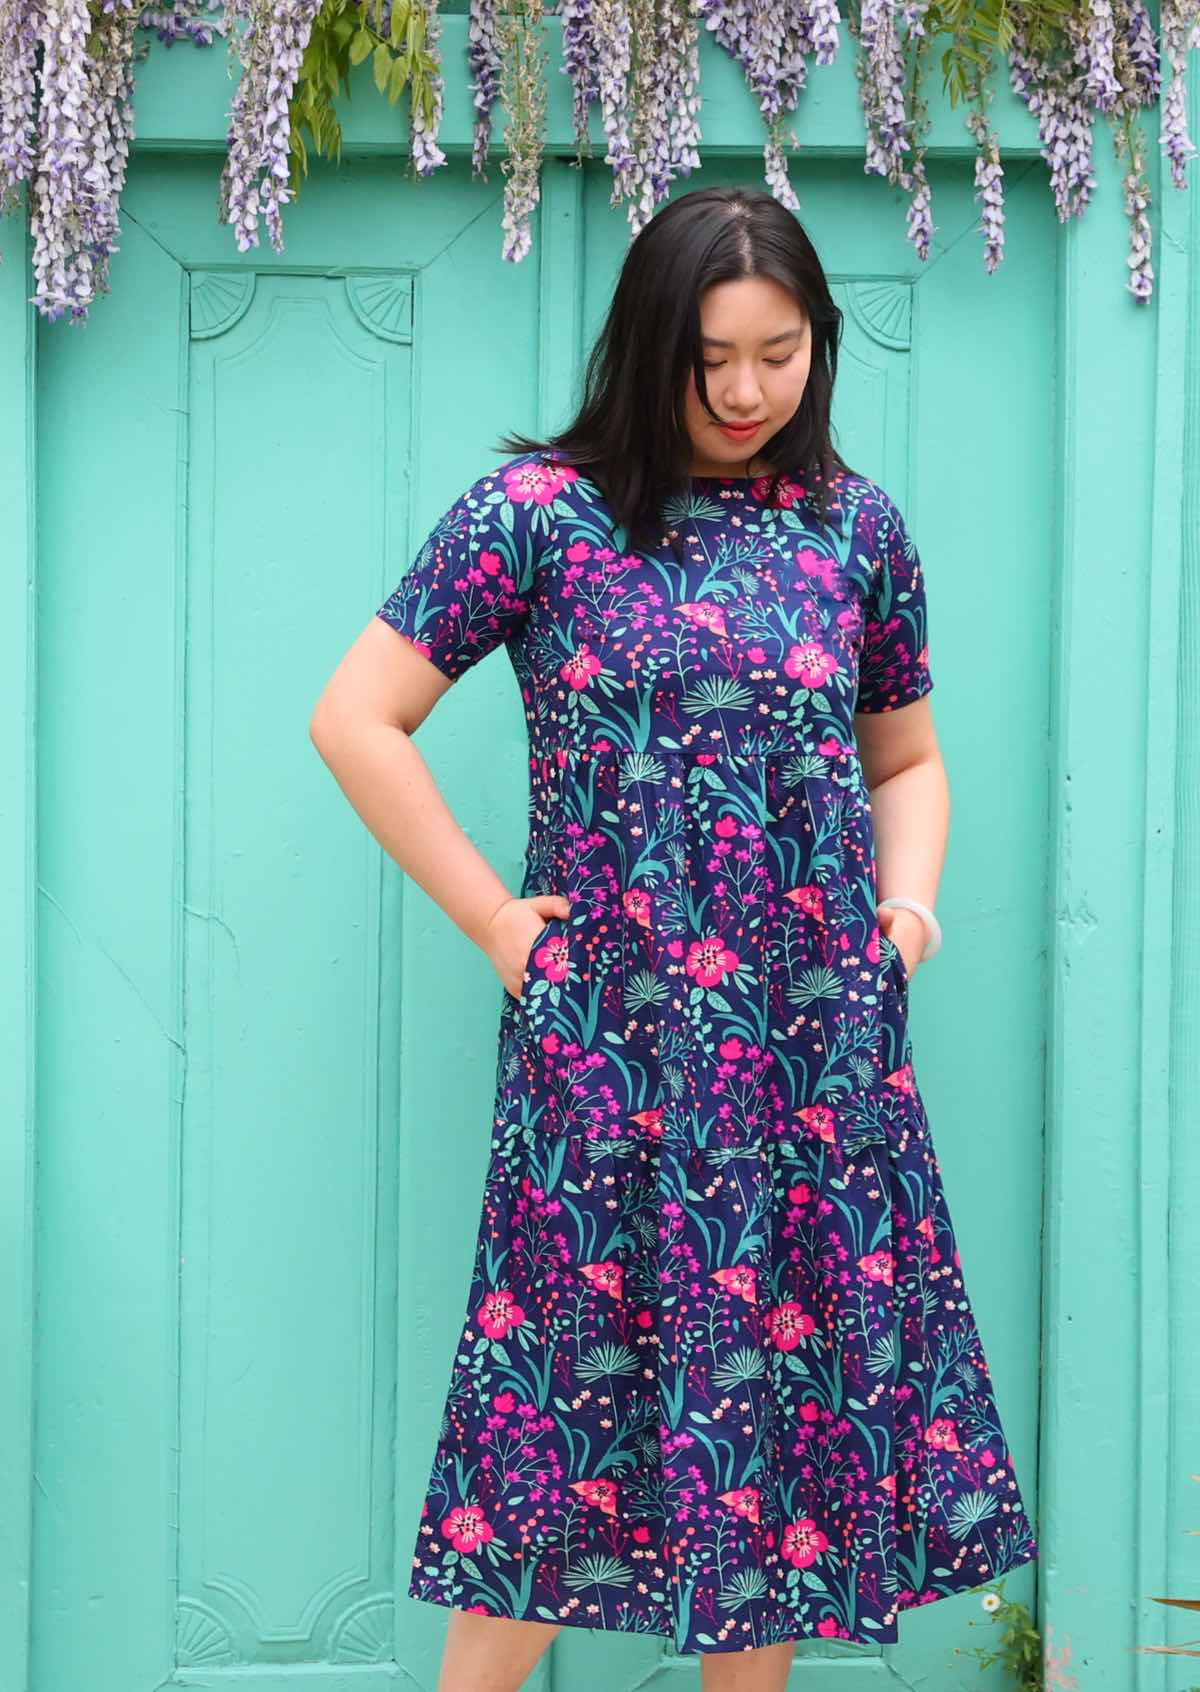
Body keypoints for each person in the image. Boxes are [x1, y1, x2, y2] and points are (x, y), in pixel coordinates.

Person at [310, 184, 1037, 1692]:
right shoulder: (538, 519)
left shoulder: (858, 529)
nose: (751, 390)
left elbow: (905, 757)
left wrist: (907, 914)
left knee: (762, 1444)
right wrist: (499, 923)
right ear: (652, 348)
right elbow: (356, 719)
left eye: (783, 353)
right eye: (715, 357)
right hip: (609, 1053)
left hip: (810, 1057)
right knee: (543, 1442)